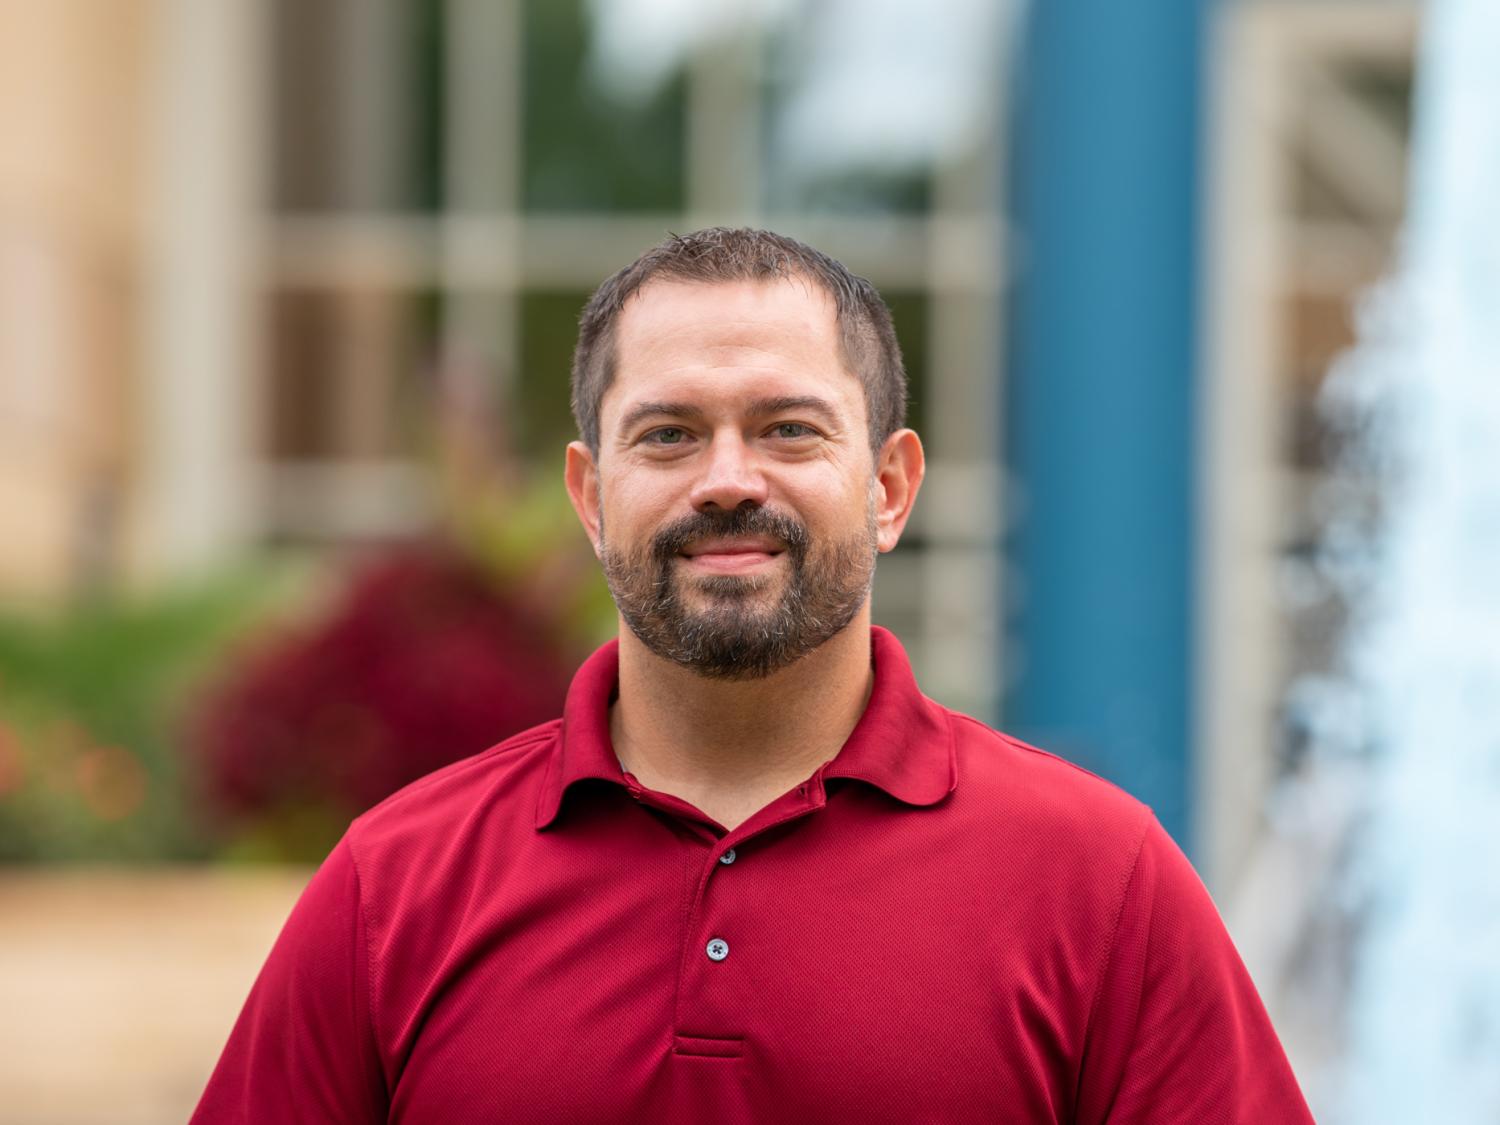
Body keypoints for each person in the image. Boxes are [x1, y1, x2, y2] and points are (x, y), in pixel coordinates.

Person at [192, 228, 1313, 1123]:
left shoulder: (1100, 882)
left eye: (788, 429)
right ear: (589, 495)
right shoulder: (394, 886)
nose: (727, 480)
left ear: (889, 485)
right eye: (669, 435)